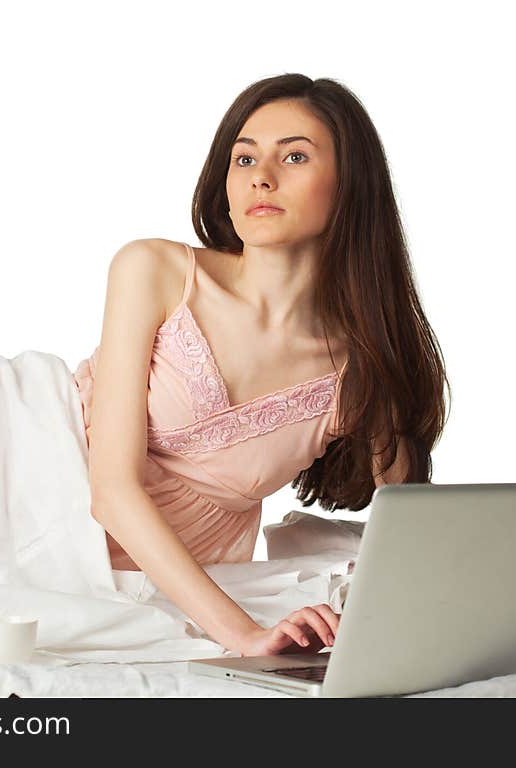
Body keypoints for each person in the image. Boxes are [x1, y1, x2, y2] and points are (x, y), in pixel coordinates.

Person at [71, 74, 450, 657]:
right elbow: (112, 491)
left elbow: (411, 534)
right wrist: (244, 634)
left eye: (294, 155)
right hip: (32, 478)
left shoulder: (359, 372)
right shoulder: (154, 270)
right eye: (244, 158)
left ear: (351, 186)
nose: (261, 177)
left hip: (186, 570)